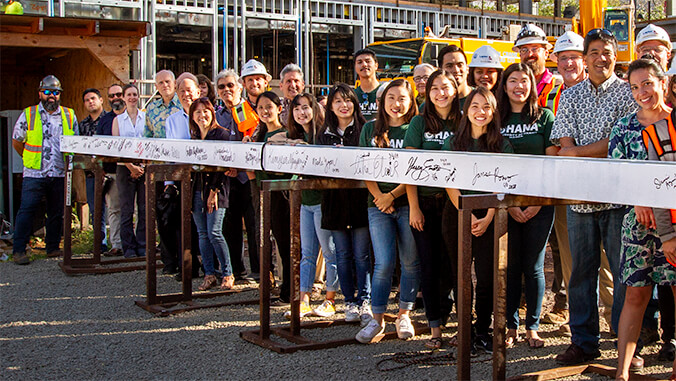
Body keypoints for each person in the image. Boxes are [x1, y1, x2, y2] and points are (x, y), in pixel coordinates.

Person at [551, 28, 639, 366]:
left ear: (616, 55)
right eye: (594, 52)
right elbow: (563, 140)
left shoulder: (627, 93)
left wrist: (577, 154)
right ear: (584, 58)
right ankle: (583, 343)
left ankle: (624, 346)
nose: (601, 58)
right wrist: (577, 152)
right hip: (580, 199)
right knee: (581, 274)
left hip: (619, 198)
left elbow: (618, 142)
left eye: (607, 51)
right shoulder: (571, 96)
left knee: (622, 273)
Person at [611, 57, 676, 381]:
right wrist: (638, 200)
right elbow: (615, 175)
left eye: (647, 83)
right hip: (638, 224)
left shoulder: (675, 122)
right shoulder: (624, 127)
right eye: (635, 87)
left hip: (675, 223)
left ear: (662, 82)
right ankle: (622, 370)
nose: (642, 92)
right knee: (635, 293)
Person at [444, 86, 513, 353]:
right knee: (461, 276)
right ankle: (464, 329)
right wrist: (467, 211)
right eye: (475, 106)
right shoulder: (454, 142)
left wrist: (487, 217)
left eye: (486, 107)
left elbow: (504, 185)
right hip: (457, 213)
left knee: (486, 278)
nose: (480, 112)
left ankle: (483, 330)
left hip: (491, 215)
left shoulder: (502, 144)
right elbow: (448, 180)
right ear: (465, 110)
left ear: (494, 112)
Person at [497, 63, 557, 348]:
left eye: (524, 80)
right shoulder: (495, 117)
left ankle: (532, 325)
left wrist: (536, 202)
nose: (519, 86)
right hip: (504, 203)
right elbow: (490, 161)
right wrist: (508, 205)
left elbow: (551, 162)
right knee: (509, 266)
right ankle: (511, 325)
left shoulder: (544, 117)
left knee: (533, 265)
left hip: (539, 203)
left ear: (532, 85)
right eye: (513, 81)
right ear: (504, 85)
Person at [356, 79, 420, 343]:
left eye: (402, 98)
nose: (397, 104)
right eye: (391, 98)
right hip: (377, 205)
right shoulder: (370, 129)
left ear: (411, 101)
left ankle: (404, 314)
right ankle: (378, 319)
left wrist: (392, 195)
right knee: (383, 263)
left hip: (406, 203)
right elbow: (363, 166)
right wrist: (379, 197)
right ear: (382, 102)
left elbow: (417, 168)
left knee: (410, 262)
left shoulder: (414, 128)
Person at [403, 69, 459, 349]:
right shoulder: (418, 122)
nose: (440, 93)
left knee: (454, 265)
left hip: (454, 202)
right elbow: (409, 167)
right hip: (424, 201)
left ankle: (462, 326)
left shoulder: (463, 119)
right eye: (434, 88)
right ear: (427, 92)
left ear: (455, 89)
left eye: (446, 87)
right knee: (428, 265)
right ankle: (435, 329)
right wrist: (413, 207)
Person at [318, 83, 372, 326]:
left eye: (348, 100)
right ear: (330, 105)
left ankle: (365, 300)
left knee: (362, 254)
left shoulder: (363, 129)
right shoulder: (323, 133)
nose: (344, 105)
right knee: (342, 254)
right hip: (334, 203)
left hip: (360, 201)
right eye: (338, 101)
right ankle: (349, 300)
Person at [11, 75, 78, 265]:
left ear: (59, 95)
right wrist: (28, 158)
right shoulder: (29, 114)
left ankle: (52, 248)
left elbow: (76, 141)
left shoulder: (69, 115)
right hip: (34, 173)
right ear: (40, 93)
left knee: (56, 212)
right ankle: (19, 250)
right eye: (47, 92)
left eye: (55, 93)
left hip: (58, 172)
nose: (51, 96)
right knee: (27, 211)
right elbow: (17, 141)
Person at [283, 92, 338, 318]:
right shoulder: (294, 135)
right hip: (305, 201)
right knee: (306, 253)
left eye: (306, 107)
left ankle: (330, 299)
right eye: (297, 108)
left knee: (329, 252)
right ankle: (303, 299)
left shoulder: (323, 135)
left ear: (315, 109)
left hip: (322, 202)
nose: (301, 112)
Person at [214, 69, 259, 282]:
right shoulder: (216, 113)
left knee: (253, 225)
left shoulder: (246, 109)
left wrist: (239, 166)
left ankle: (260, 271)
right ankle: (237, 270)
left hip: (247, 177)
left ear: (239, 86)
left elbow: (250, 141)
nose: (226, 90)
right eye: (221, 86)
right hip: (227, 178)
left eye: (230, 85)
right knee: (229, 226)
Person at [188, 97, 235, 291]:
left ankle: (227, 273)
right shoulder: (194, 138)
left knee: (215, 232)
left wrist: (213, 192)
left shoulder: (221, 134)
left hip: (217, 189)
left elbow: (223, 167)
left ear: (212, 113)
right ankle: (209, 273)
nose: (202, 115)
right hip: (197, 190)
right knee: (202, 234)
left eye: (205, 111)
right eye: (197, 112)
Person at [252, 91, 293, 305]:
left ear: (279, 108)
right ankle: (275, 284)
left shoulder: (286, 134)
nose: (265, 111)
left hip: (281, 194)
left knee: (285, 242)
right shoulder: (258, 134)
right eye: (260, 108)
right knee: (269, 240)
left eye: (269, 106)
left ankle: (289, 290)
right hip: (262, 193)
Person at [142, 69, 183, 273]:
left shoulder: (184, 104)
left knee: (181, 215)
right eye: (160, 83)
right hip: (159, 169)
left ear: (174, 83)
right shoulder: (151, 109)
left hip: (179, 168)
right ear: (156, 86)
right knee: (162, 216)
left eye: (167, 81)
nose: (164, 85)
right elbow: (147, 137)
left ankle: (187, 259)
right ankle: (169, 261)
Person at [164, 72, 203, 278]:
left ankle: (209, 265)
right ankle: (187, 266)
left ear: (198, 91)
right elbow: (170, 153)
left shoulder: (207, 115)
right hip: (182, 177)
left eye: (189, 90)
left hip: (203, 178)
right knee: (182, 224)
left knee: (204, 224)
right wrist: (170, 182)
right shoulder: (171, 120)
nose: (186, 94)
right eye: (181, 91)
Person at [112, 84, 146, 259]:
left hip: (144, 168)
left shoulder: (145, 117)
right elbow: (117, 147)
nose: (132, 97)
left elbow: (149, 142)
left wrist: (141, 166)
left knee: (144, 208)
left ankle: (143, 245)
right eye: (129, 95)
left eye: (134, 94)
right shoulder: (118, 120)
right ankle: (129, 247)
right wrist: (130, 166)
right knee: (126, 209)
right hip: (124, 168)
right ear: (123, 98)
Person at [95, 84, 125, 257]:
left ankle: (135, 244)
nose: (115, 98)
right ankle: (117, 244)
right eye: (112, 96)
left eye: (118, 94)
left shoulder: (136, 117)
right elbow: (99, 147)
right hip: (112, 171)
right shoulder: (105, 120)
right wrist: (101, 171)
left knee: (136, 209)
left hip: (133, 171)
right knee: (114, 209)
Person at [80, 88, 109, 252]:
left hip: (110, 172)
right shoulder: (83, 125)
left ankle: (118, 243)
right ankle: (100, 243)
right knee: (95, 208)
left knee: (114, 208)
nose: (90, 102)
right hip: (91, 173)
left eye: (93, 98)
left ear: (101, 100)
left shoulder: (110, 119)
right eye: (87, 100)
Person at [513, 23, 562, 104]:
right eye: (524, 50)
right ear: (520, 55)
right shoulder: (513, 88)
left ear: (546, 53)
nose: (529, 54)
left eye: (535, 49)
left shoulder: (559, 86)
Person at [353, 48, 381, 121]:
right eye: (359, 62)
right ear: (355, 67)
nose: (364, 65)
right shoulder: (352, 95)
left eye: (368, 61)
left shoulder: (386, 92)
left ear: (376, 65)